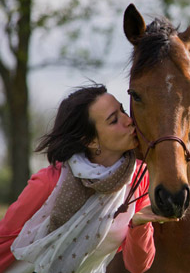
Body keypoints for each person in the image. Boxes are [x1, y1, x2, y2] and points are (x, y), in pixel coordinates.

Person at [0, 84, 176, 273]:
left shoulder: (139, 180)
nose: (128, 120)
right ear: (90, 141)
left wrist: (138, 224)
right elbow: (4, 239)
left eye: (123, 110)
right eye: (114, 120)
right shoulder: (50, 182)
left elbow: (138, 266)